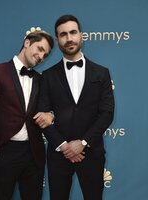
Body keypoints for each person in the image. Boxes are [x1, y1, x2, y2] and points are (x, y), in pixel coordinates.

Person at [35, 15, 115, 200]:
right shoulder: (47, 76)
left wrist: (83, 143)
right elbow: (42, 116)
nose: (69, 38)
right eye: (63, 34)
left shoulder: (102, 73)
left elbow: (107, 113)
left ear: (81, 35)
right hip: (58, 156)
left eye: (73, 32)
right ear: (57, 40)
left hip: (91, 152)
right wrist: (64, 146)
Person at [0, 29, 54, 200]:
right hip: (5, 151)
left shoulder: (41, 79)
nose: (42, 57)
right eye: (40, 49)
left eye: (46, 55)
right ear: (27, 43)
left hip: (34, 153)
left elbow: (50, 108)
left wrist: (51, 114)